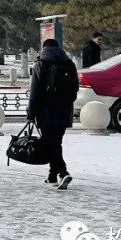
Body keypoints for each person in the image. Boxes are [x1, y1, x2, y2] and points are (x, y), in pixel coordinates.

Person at [27, 38, 78, 188]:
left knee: (51, 144)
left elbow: (35, 92)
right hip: (64, 111)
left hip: (46, 111)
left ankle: (63, 173)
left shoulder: (41, 64)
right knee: (56, 143)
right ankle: (52, 176)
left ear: (43, 48)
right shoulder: (69, 64)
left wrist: (31, 113)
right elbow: (75, 89)